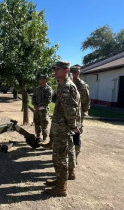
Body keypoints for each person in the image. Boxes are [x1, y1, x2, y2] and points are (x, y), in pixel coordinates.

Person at [44, 61, 81, 197]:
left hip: (63, 129)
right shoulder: (62, 85)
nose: (55, 71)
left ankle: (61, 188)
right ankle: (59, 180)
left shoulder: (67, 86)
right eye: (54, 69)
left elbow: (71, 111)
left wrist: (72, 126)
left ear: (66, 71)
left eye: (57, 69)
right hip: (60, 128)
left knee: (60, 158)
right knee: (58, 157)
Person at [68, 65, 90, 164]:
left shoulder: (82, 85)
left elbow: (86, 101)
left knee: (76, 135)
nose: (71, 74)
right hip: (68, 114)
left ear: (78, 73)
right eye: (70, 72)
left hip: (77, 115)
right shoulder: (68, 83)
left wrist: (83, 114)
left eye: (73, 72)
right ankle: (67, 155)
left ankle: (75, 157)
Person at [32, 74, 53, 142]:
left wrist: (39, 106)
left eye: (40, 79)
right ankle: (38, 137)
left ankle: (44, 138)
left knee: (44, 124)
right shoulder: (37, 89)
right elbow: (33, 97)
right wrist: (35, 104)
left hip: (43, 110)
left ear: (45, 80)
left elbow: (48, 100)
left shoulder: (49, 89)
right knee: (36, 123)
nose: (39, 80)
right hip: (36, 110)